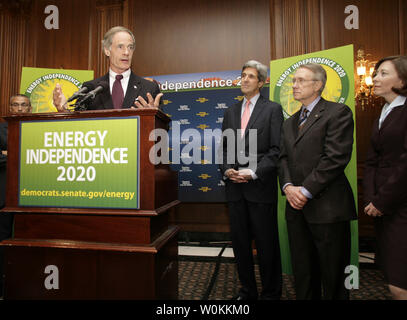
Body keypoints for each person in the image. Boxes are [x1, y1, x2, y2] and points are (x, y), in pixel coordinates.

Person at [278, 63, 357, 300]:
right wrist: (289, 187)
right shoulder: (289, 122)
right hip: (295, 209)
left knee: (333, 275)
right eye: (294, 80)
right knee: (303, 273)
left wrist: (306, 190)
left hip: (328, 208)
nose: (295, 85)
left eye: (301, 80)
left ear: (318, 85)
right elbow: (282, 159)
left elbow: (335, 158)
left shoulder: (338, 112)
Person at [219, 60, 283, 300]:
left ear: (262, 82)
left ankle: (270, 294)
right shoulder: (231, 112)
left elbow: (277, 150)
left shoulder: (273, 110)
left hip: (260, 188)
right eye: (243, 75)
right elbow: (224, 149)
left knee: (267, 247)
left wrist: (252, 172)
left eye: (250, 76)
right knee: (241, 246)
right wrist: (227, 171)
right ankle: (247, 291)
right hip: (235, 190)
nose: (244, 80)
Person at [363, 55, 407, 300]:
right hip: (382, 206)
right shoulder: (384, 111)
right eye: (376, 73)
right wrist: (371, 199)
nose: (375, 78)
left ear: (402, 79)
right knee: (391, 275)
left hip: (400, 205)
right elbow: (372, 161)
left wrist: (382, 201)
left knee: (399, 283)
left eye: (383, 73)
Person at [53, 26, 163, 111]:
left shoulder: (149, 88)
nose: (126, 52)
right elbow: (78, 128)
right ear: (107, 50)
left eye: (130, 47)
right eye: (120, 47)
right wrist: (63, 109)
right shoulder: (91, 89)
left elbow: (163, 130)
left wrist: (152, 116)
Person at [0, 94, 32, 297]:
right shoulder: (0, 129)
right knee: (3, 241)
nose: (19, 109)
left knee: (28, 242)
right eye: (15, 105)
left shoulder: (39, 129)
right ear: (9, 108)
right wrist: (19, 154)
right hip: (4, 197)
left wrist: (7, 153)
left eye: (24, 105)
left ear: (30, 108)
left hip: (33, 197)